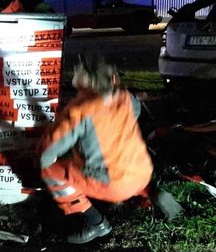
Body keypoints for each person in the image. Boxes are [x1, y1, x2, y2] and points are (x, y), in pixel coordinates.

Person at [37, 53, 155, 244]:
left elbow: (49, 151)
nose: (74, 72)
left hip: (115, 183)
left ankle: (94, 222)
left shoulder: (81, 108)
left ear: (87, 78)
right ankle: (148, 194)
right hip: (142, 175)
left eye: (78, 69)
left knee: (51, 171)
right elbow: (135, 106)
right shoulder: (125, 98)